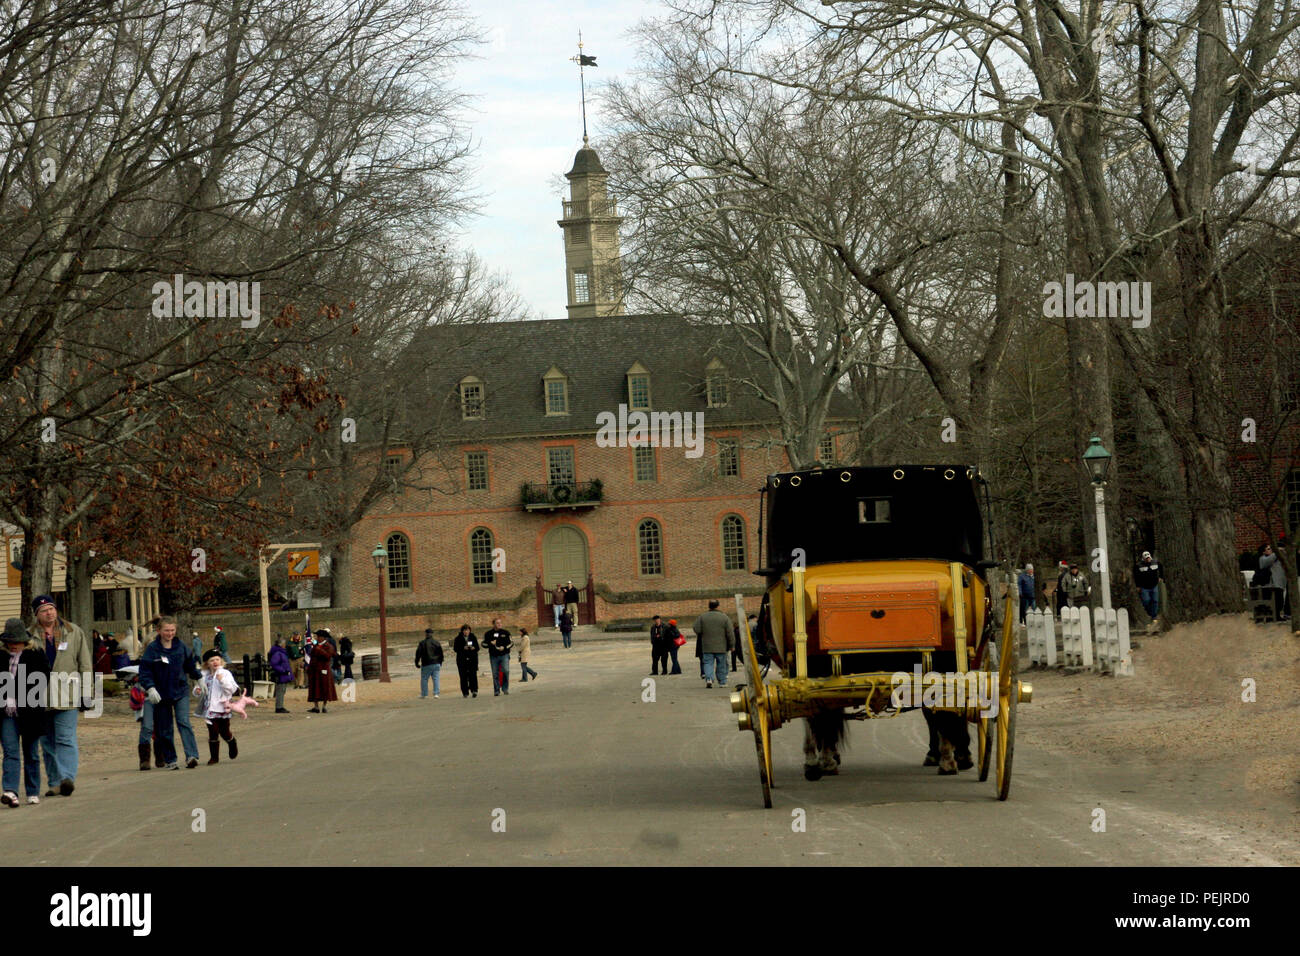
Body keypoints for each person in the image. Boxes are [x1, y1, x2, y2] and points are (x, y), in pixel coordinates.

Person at [28, 595, 92, 797]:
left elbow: (85, 664)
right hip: (39, 697)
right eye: (45, 610)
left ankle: (67, 778)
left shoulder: (73, 632)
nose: (50, 612)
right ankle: (54, 782)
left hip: (68, 694)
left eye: (52, 608)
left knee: (66, 738)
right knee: (47, 742)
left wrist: (88, 693)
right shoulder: (29, 636)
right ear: (37, 614)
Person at [137, 616, 202, 770]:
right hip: (161, 694)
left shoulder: (181, 647)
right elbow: (145, 671)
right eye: (167, 630)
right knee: (165, 727)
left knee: (183, 721)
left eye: (172, 630)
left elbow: (190, 665)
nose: (170, 633)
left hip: (180, 691)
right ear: (159, 631)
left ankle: (191, 755)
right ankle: (170, 759)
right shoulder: (152, 649)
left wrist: (199, 678)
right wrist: (150, 687)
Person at [2, 618, 47, 807]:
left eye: (17, 642)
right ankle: (10, 790)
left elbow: (43, 679)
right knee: (10, 751)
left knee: (31, 753)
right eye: (10, 642)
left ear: (25, 641)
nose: (13, 646)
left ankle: (32, 790)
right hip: (6, 713)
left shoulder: (36, 656)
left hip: (30, 712)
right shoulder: (1, 657)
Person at [199, 651, 240, 764]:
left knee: (224, 731)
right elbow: (199, 689)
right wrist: (197, 691)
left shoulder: (225, 673)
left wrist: (222, 680)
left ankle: (231, 741)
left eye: (217, 659)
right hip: (209, 709)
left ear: (221, 661)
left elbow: (232, 689)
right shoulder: (204, 675)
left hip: (222, 708)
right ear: (207, 664)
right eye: (212, 660)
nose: (215, 662)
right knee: (213, 731)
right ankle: (214, 757)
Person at [693, 600, 734, 689]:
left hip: (707, 646)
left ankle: (709, 679)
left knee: (708, 663)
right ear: (718, 606)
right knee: (721, 664)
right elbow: (730, 633)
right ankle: (722, 682)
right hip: (721, 646)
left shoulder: (702, 617)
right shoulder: (724, 617)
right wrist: (732, 645)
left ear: (709, 606)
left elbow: (696, 629)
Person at [305, 630, 337, 712]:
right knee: (315, 688)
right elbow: (312, 657)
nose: (317, 638)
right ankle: (316, 707)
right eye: (317, 637)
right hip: (315, 670)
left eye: (319, 637)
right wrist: (309, 667)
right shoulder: (315, 646)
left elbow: (329, 656)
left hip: (324, 669)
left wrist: (320, 650)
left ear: (323, 638)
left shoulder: (328, 646)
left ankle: (324, 706)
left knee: (325, 688)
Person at [1259, 544, 1289, 622]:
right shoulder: (1263, 559)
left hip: (1278, 584)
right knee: (1276, 601)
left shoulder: (1275, 558)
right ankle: (1273, 616)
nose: (1271, 550)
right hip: (1270, 585)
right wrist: (1277, 551)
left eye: (1271, 548)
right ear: (1263, 552)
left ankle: (1276, 615)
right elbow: (1267, 561)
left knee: (1280, 601)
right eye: (1268, 549)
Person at [483, 618, 512, 696]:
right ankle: (497, 690)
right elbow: (483, 644)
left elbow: (511, 643)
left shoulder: (505, 633)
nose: (499, 624)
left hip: (504, 655)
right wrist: (490, 643)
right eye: (497, 623)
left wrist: (504, 647)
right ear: (494, 624)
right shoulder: (488, 633)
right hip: (494, 656)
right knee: (495, 673)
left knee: (506, 670)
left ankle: (505, 688)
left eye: (500, 623)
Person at [1134, 551, 1162, 624]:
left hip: (1154, 585)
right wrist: (1138, 586)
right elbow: (1136, 576)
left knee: (1155, 600)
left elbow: (1161, 568)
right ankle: (1149, 613)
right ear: (1143, 558)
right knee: (1146, 601)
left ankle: (1154, 616)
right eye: (1146, 558)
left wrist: (1161, 577)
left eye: (1148, 558)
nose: (1148, 559)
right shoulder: (1139, 566)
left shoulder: (1155, 562)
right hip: (1144, 587)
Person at [452, 624, 480, 698]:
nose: (466, 632)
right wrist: (463, 648)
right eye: (465, 630)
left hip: (472, 659)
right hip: (462, 660)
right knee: (463, 676)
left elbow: (477, 647)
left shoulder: (473, 637)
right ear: (462, 631)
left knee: (473, 675)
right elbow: (455, 649)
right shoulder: (458, 638)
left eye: (467, 630)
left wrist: (473, 648)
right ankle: (465, 692)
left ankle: (474, 690)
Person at [415, 628, 444, 698]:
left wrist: (416, 662)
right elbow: (441, 653)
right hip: (436, 662)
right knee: (436, 678)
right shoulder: (436, 642)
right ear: (432, 634)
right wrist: (440, 661)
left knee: (424, 679)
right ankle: (436, 693)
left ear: (425, 634)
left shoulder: (422, 643)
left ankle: (424, 694)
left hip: (426, 663)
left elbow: (418, 653)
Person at [268, 636, 293, 713]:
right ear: (281, 644)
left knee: (282, 690)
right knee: (280, 691)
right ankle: (279, 707)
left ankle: (280, 706)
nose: (285, 645)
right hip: (281, 674)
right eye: (284, 643)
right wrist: (283, 671)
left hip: (283, 674)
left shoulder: (281, 652)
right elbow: (274, 664)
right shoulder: (278, 653)